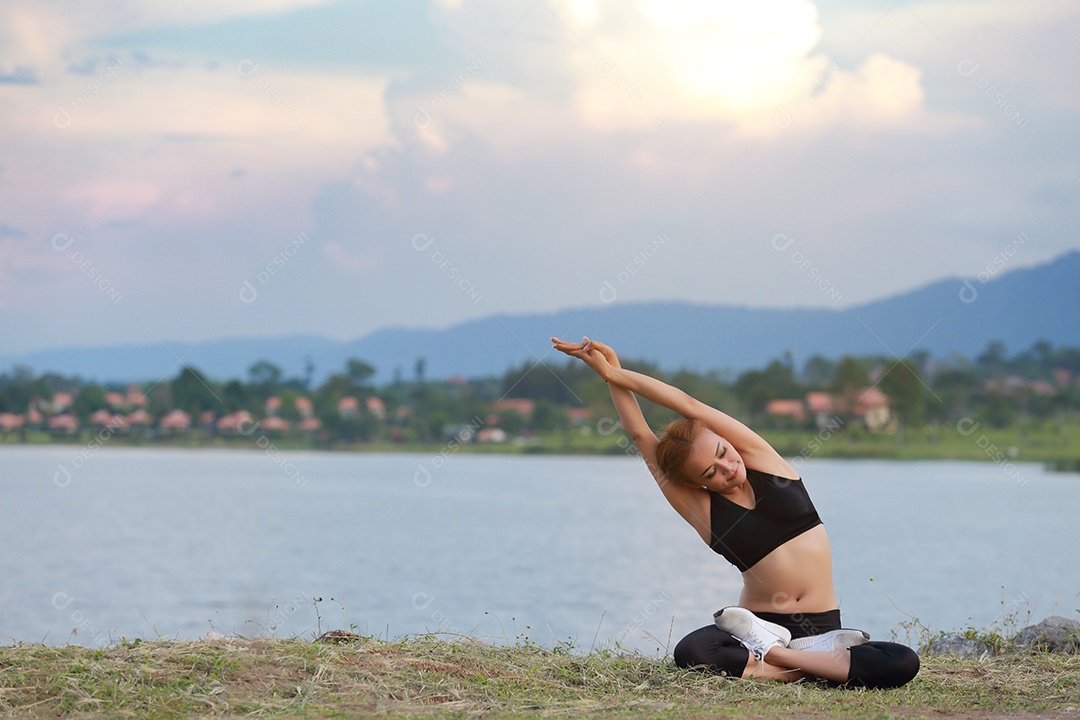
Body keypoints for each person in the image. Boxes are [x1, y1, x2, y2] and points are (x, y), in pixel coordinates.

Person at [550, 336, 919, 688]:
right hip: (757, 626)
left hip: (822, 627)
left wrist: (614, 371)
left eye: (723, 453)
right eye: (710, 473)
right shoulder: (702, 510)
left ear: (726, 441)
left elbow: (688, 404)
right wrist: (611, 381)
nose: (728, 468)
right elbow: (641, 437)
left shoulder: (763, 459)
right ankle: (802, 662)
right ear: (695, 484)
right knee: (693, 651)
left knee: (902, 661)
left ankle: (784, 661)